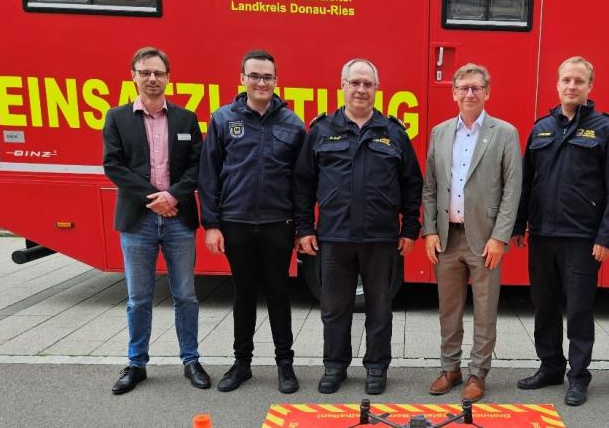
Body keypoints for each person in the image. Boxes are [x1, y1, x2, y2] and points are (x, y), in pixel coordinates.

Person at [294, 58, 423, 395]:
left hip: (381, 239)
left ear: (376, 89)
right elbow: (303, 184)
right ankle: (335, 367)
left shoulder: (393, 132)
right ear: (343, 85)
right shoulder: (321, 130)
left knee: (380, 309)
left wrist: (410, 229)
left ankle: (377, 367)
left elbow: (412, 184)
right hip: (334, 238)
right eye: (355, 82)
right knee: (334, 309)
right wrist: (305, 229)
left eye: (368, 84)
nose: (361, 89)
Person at [511, 56, 609, 406]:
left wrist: (606, 236)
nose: (572, 86)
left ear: (590, 87)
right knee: (544, 305)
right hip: (543, 235)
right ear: (557, 84)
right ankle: (550, 366)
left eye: (579, 81)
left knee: (578, 309)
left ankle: (578, 376)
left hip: (582, 238)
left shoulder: (606, 129)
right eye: (566, 80)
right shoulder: (541, 128)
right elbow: (526, 182)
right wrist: (520, 224)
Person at [102, 46, 209, 394]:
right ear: (133, 75)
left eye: (158, 73)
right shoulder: (116, 117)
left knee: (186, 296)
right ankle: (136, 365)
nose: (152, 79)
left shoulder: (185, 119)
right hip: (138, 220)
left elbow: (198, 165)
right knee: (138, 297)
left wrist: (173, 196)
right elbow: (113, 165)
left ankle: (190, 360)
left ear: (168, 77)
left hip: (178, 218)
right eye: (145, 72)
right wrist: (154, 198)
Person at [198, 50, 306, 393]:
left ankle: (285, 365)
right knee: (243, 294)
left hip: (278, 223)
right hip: (236, 223)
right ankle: (241, 363)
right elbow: (209, 175)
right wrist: (212, 224)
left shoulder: (292, 123)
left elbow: (302, 181)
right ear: (242, 78)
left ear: (276, 81)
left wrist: (303, 226)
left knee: (278, 293)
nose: (262, 82)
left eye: (268, 77)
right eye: (255, 76)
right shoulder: (223, 119)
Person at [421, 63, 522, 402]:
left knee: (484, 310)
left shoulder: (504, 133)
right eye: (463, 88)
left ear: (487, 92)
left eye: (476, 88)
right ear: (453, 93)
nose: (469, 93)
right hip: (447, 238)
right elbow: (431, 186)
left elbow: (512, 190)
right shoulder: (440, 132)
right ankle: (450, 368)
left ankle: (478, 374)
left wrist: (500, 237)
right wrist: (430, 231)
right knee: (448, 308)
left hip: (485, 239)